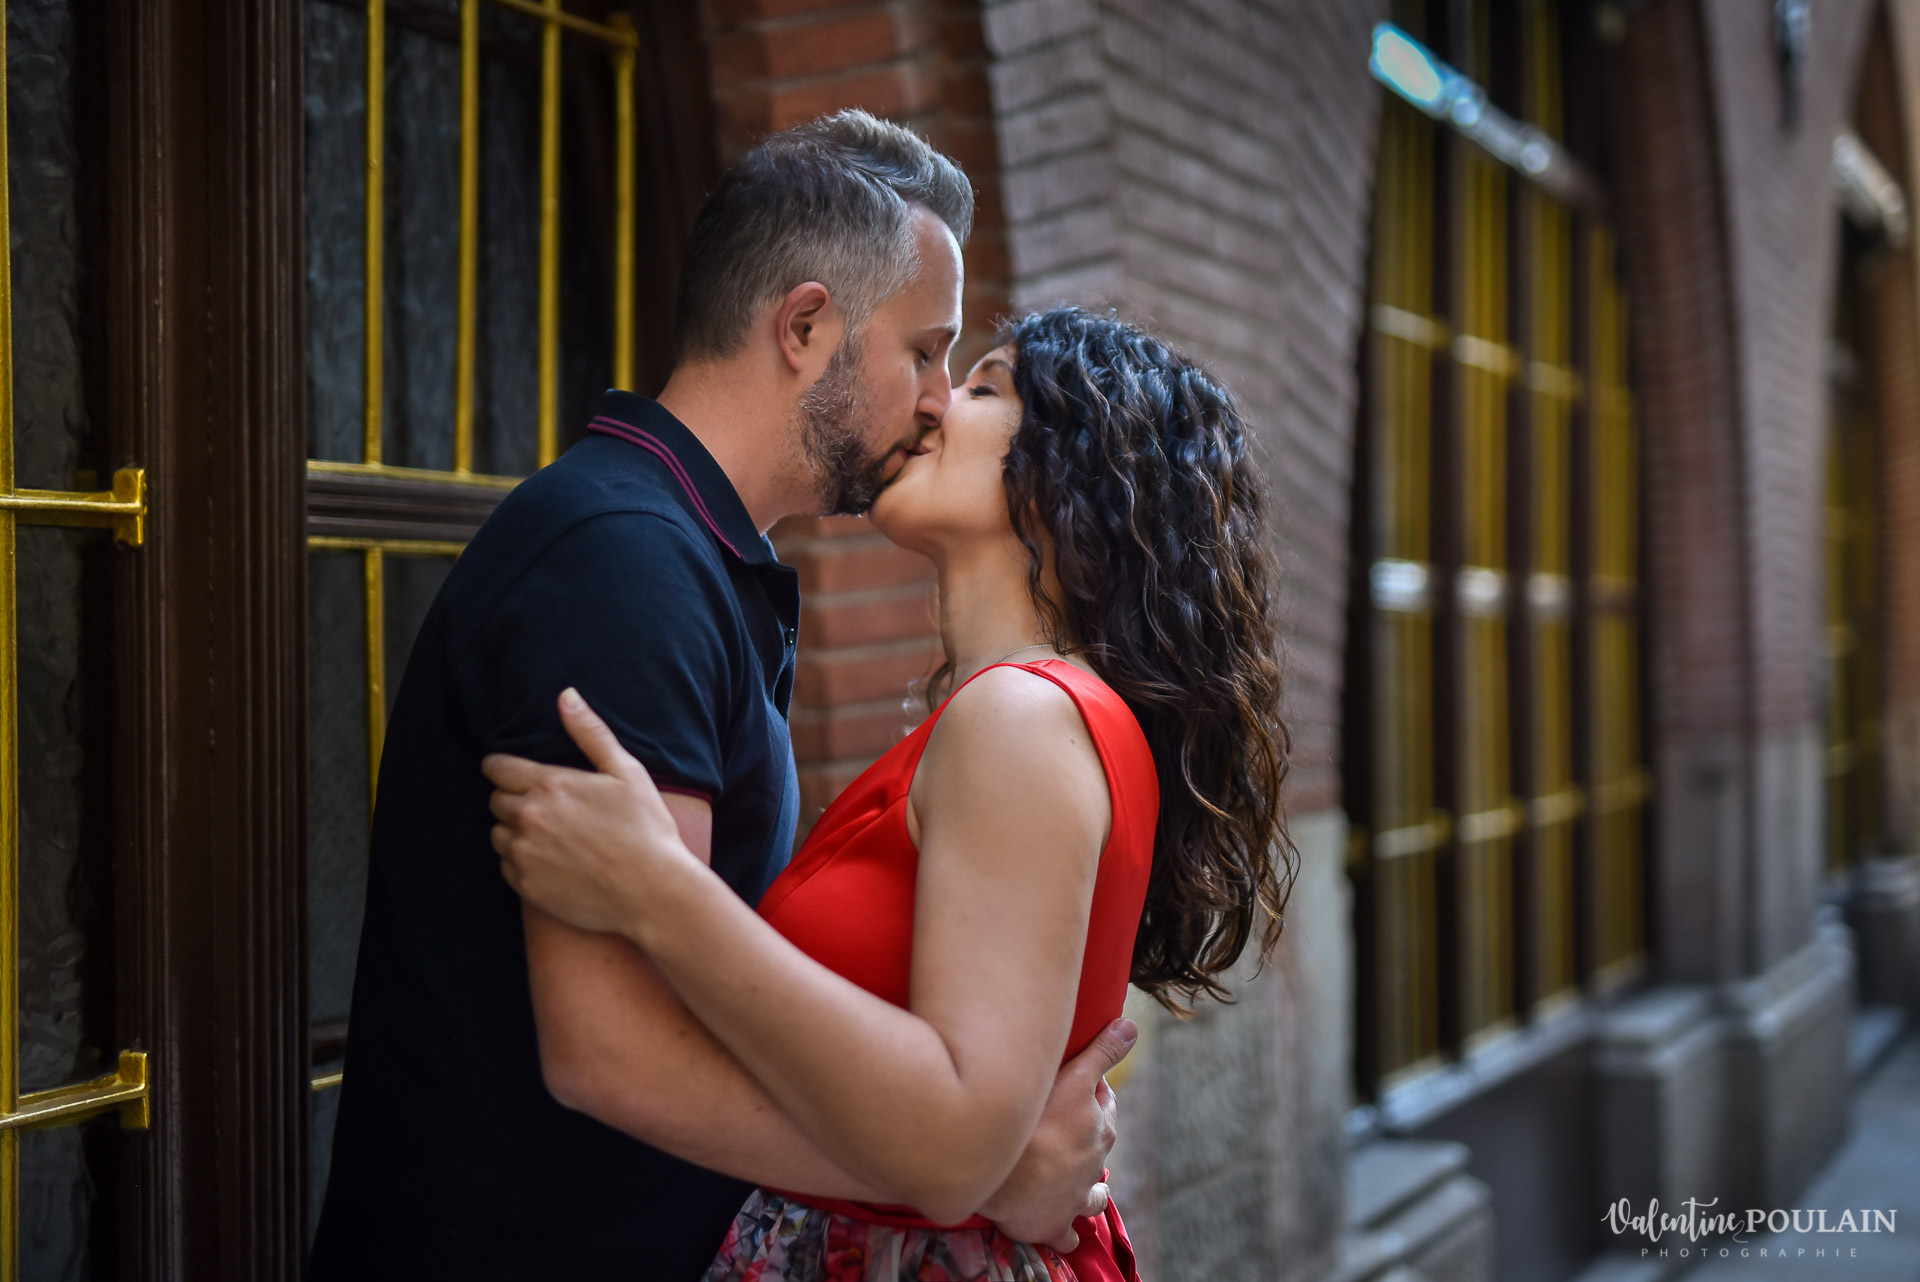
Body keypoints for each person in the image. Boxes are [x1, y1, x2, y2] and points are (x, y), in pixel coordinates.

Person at [308, 112, 1131, 1282]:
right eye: (926, 350)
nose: (941, 399)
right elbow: (613, 1050)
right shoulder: (620, 566)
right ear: (804, 327)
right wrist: (976, 1174)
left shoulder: (676, 552)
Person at [484, 307, 1298, 1282]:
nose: (937, 404)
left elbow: (956, 1143)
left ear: (1070, 476)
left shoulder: (1022, 720)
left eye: (985, 386)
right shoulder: (1021, 716)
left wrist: (659, 890)